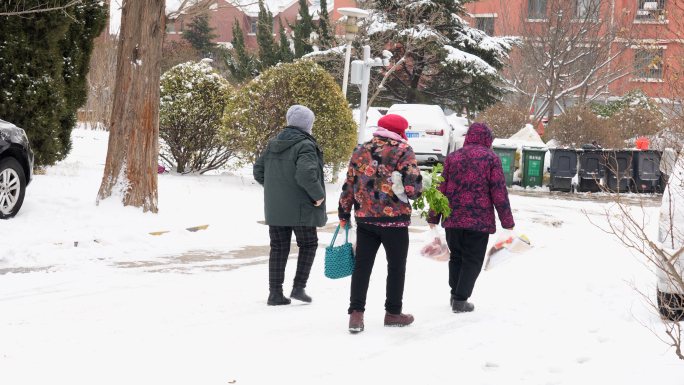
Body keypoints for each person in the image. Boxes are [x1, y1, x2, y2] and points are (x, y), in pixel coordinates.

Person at [338, 114, 423, 333]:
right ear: (400, 130)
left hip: (365, 219)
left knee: (362, 267)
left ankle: (356, 315)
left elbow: (349, 183)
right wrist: (419, 190)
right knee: (396, 266)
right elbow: (412, 188)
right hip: (395, 221)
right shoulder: (404, 149)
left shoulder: (361, 149)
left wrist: (344, 212)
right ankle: (393, 313)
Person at [428, 122, 515, 313]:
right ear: (487, 139)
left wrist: (433, 215)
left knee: (457, 257)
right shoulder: (491, 159)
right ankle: (460, 299)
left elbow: (441, 188)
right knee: (473, 259)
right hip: (479, 220)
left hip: (453, 217)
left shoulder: (453, 158)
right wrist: (507, 221)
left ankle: (454, 293)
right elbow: (499, 192)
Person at [253, 105, 327, 306]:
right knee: (309, 244)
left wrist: (276, 189)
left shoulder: (273, 143)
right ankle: (298, 287)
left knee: (278, 248)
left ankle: (275, 293)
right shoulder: (305, 145)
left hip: (276, 208)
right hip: (302, 207)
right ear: (307, 125)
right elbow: (305, 174)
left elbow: (258, 170)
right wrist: (318, 196)